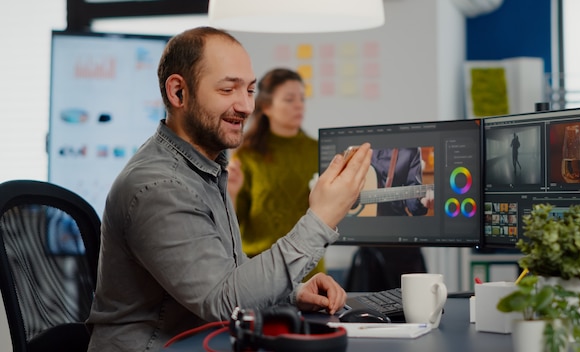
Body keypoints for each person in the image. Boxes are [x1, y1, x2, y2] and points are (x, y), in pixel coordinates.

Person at [86, 26, 373, 352]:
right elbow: (223, 302)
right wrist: (321, 218)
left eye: (249, 90)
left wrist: (293, 291)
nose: (246, 106)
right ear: (178, 92)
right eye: (228, 90)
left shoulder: (206, 167)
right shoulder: (158, 187)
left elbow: (226, 272)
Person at [227, 68, 325, 281]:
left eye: (302, 98)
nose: (299, 105)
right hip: (257, 272)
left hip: (309, 272)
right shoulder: (246, 155)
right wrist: (231, 192)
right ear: (266, 106)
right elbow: (232, 223)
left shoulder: (318, 150)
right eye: (289, 99)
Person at [346, 147, 433, 292]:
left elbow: (412, 192)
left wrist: (421, 202)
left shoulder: (409, 152)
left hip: (403, 249)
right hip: (369, 252)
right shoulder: (361, 150)